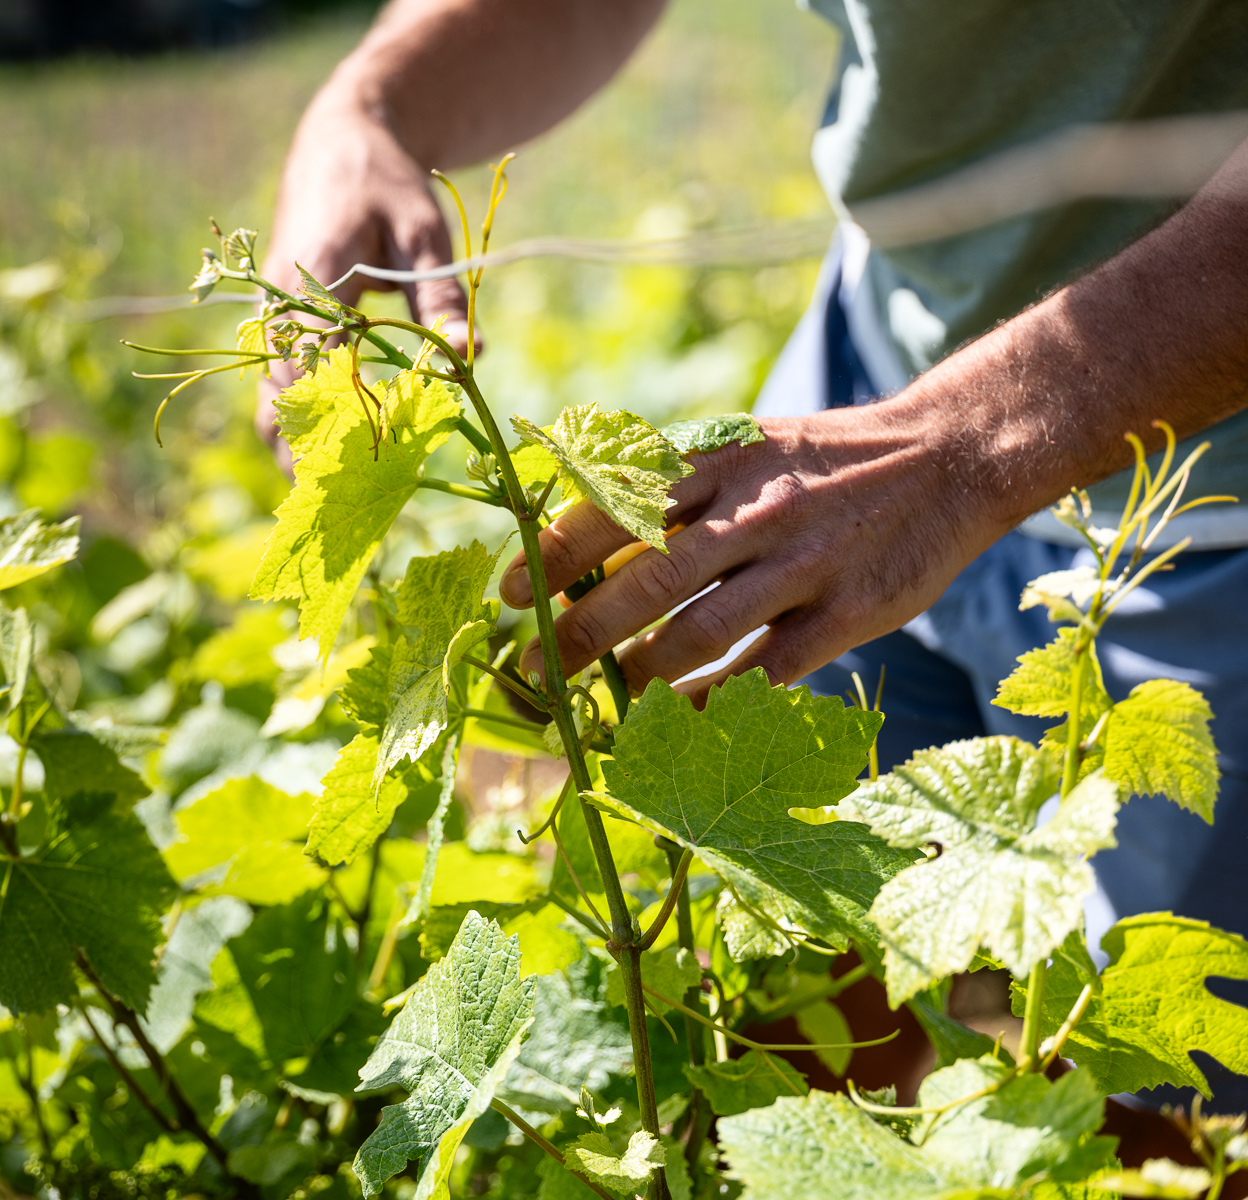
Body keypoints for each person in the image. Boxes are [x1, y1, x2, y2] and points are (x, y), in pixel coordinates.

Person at [257, 0, 1248, 1107]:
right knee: (800, 1016)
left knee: (1165, 1106)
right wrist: (373, 104)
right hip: (867, 382)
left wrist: (959, 447)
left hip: (1214, 518)